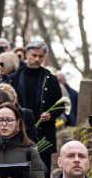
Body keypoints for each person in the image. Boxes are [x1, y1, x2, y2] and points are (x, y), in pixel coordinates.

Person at [9, 39, 62, 168]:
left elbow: (62, 104)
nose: (37, 59)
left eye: (40, 56)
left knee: (42, 172)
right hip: (18, 131)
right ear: (27, 54)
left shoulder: (51, 79)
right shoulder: (13, 78)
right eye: (34, 55)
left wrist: (51, 114)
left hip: (43, 133)